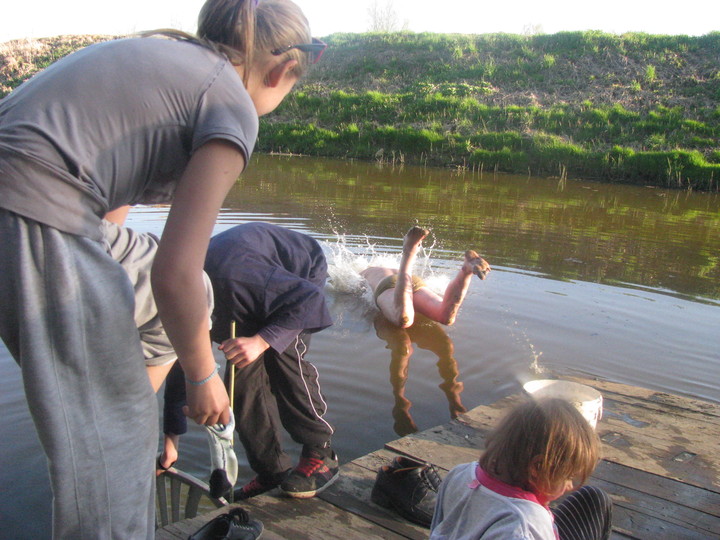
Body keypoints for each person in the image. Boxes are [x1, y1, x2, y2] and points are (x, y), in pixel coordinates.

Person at [0, 0, 323, 536]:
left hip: (35, 215)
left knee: (169, 300)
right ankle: (120, 438)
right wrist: (202, 377)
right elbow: (174, 271)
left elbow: (111, 225)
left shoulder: (158, 57)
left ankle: (131, 414)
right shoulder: (231, 103)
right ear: (283, 70)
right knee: (116, 451)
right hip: (32, 218)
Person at [203, 222, 337, 500]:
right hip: (245, 293)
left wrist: (261, 341)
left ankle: (321, 451)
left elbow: (309, 300)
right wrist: (172, 437)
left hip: (295, 280)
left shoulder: (236, 276)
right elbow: (185, 366)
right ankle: (271, 471)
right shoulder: (179, 303)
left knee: (283, 356)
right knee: (238, 380)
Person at [430, 398, 613, 540]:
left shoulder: (460, 473)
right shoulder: (523, 525)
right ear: (538, 467)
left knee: (593, 497)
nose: (568, 487)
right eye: (568, 477)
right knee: (596, 501)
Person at [361, 226, 491, 328]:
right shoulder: (381, 269)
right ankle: (466, 271)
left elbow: (354, 287)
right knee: (445, 316)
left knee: (403, 319)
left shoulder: (365, 271)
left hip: (389, 286)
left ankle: (409, 252)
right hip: (412, 280)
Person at [372, 313, 466, 436]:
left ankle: (452, 390)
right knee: (402, 347)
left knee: (446, 346)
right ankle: (400, 400)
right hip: (390, 305)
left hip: (417, 303)